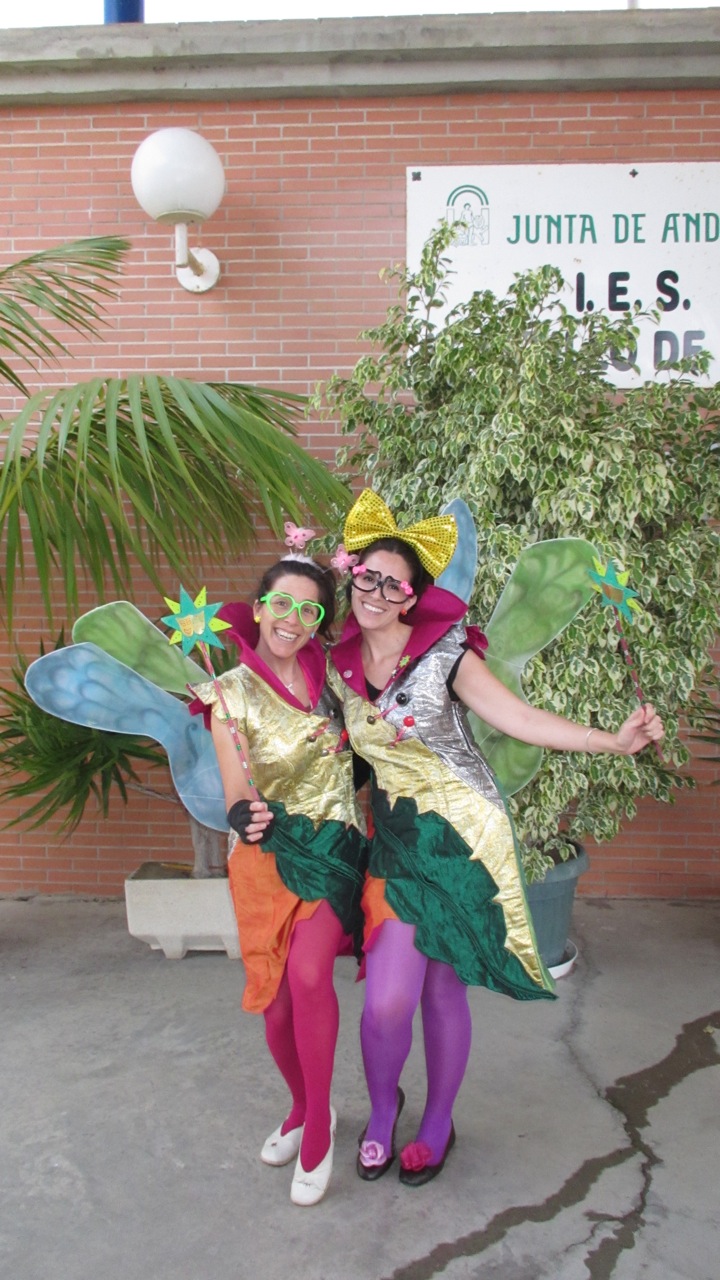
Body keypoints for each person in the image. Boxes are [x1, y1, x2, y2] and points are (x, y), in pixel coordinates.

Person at [327, 490, 664, 1187]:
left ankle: (439, 1122)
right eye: (369, 576)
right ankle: (383, 1111)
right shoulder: (334, 665)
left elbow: (519, 719)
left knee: (441, 991)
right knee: (388, 998)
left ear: (413, 596)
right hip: (395, 841)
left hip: (464, 840)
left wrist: (611, 742)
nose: (378, 591)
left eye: (395, 583)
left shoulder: (445, 654)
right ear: (350, 575)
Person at [190, 553, 366, 1208]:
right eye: (282, 604)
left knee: (312, 974)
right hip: (264, 860)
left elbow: (372, 743)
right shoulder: (227, 693)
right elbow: (236, 784)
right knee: (277, 1006)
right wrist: (245, 813)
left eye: (310, 609)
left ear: (321, 624)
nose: (293, 619)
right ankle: (303, 1107)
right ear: (260, 608)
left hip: (335, 849)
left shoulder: (335, 683)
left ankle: (319, 1127)